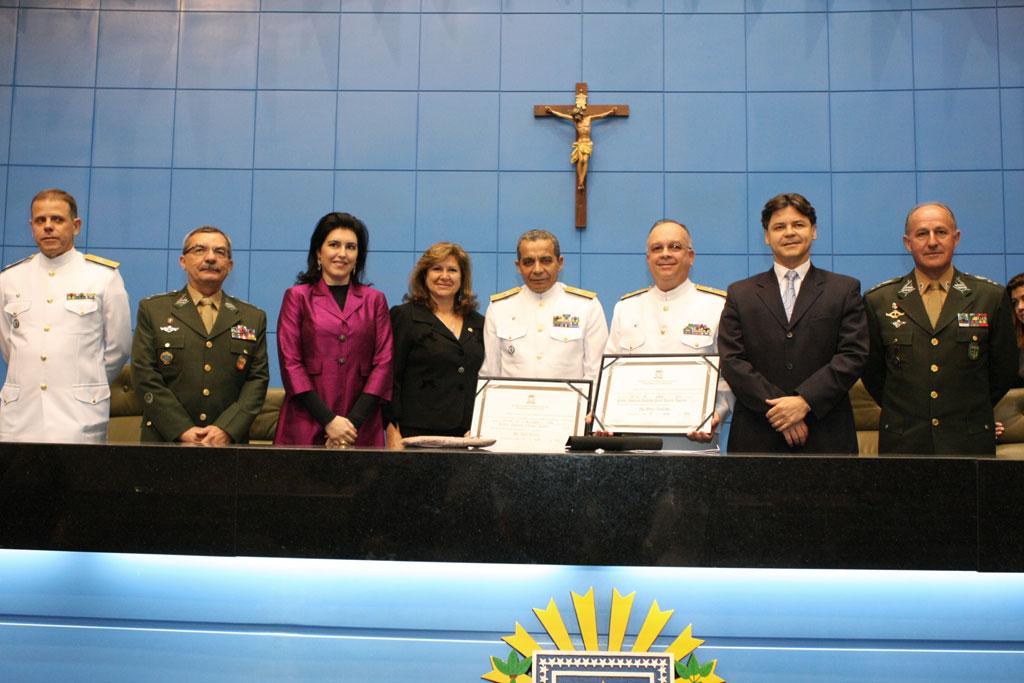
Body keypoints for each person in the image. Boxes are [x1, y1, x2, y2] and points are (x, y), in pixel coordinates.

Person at [862, 202, 1017, 455]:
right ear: (907, 243)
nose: (932, 241)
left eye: (941, 232)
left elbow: (1004, 369)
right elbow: (873, 373)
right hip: (904, 441)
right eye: (922, 233)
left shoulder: (990, 296)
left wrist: (968, 409)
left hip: (969, 440)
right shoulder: (879, 300)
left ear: (956, 238)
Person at [719, 193, 868, 453]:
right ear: (766, 236)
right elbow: (732, 361)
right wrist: (780, 410)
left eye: (798, 225)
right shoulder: (740, 294)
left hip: (826, 433)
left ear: (814, 231)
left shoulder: (843, 289)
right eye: (779, 227)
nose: (789, 233)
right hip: (757, 435)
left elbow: (853, 355)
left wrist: (804, 401)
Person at [0, 188, 131, 443]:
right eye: (40, 220)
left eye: (57, 220)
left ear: (76, 226)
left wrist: (85, 378)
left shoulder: (103, 277)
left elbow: (119, 347)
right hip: (20, 415)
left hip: (79, 414)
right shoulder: (9, 279)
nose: (48, 227)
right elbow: (9, 346)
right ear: (32, 226)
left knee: (80, 483)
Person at [132, 226, 269, 444]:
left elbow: (257, 381)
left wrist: (226, 429)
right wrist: (182, 429)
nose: (211, 258)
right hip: (165, 440)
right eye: (199, 250)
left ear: (230, 266)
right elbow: (145, 376)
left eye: (220, 252)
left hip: (228, 442)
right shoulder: (153, 310)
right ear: (183, 261)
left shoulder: (252, 317)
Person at [605, 219, 733, 445]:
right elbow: (608, 371)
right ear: (648, 259)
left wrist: (716, 414)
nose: (665, 254)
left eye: (675, 247)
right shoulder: (626, 307)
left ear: (690, 256)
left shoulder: (718, 306)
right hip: (634, 445)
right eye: (657, 248)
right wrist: (603, 415)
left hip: (694, 444)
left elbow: (730, 373)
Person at [274, 212, 393, 449]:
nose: (342, 253)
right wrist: (329, 421)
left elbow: (384, 363)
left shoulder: (375, 300)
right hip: (307, 420)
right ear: (319, 252)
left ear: (359, 256)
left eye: (351, 247)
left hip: (360, 426)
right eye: (334, 245)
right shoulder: (297, 297)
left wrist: (351, 424)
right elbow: (290, 363)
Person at [386, 242, 485, 448]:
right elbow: (390, 378)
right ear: (424, 274)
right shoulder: (405, 317)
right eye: (437, 269)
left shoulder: (478, 322)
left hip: (467, 433)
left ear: (462, 277)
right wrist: (392, 431)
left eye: (452, 270)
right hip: (415, 434)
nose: (444, 276)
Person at [481, 229, 607, 382]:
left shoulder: (586, 307)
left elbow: (596, 372)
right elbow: (490, 373)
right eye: (528, 262)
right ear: (518, 266)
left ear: (560, 263)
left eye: (546, 260)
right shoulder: (499, 308)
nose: (538, 269)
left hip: (569, 404)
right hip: (514, 404)